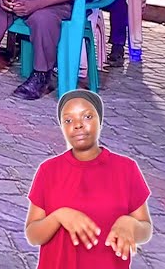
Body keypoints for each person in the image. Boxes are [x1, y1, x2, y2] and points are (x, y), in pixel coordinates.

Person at [25, 89, 153, 267]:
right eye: (68, 120)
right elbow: (33, 235)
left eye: (87, 116)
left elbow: (145, 229)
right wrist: (59, 216)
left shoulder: (126, 168)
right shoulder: (48, 170)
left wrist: (131, 224)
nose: (78, 125)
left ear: (100, 121)